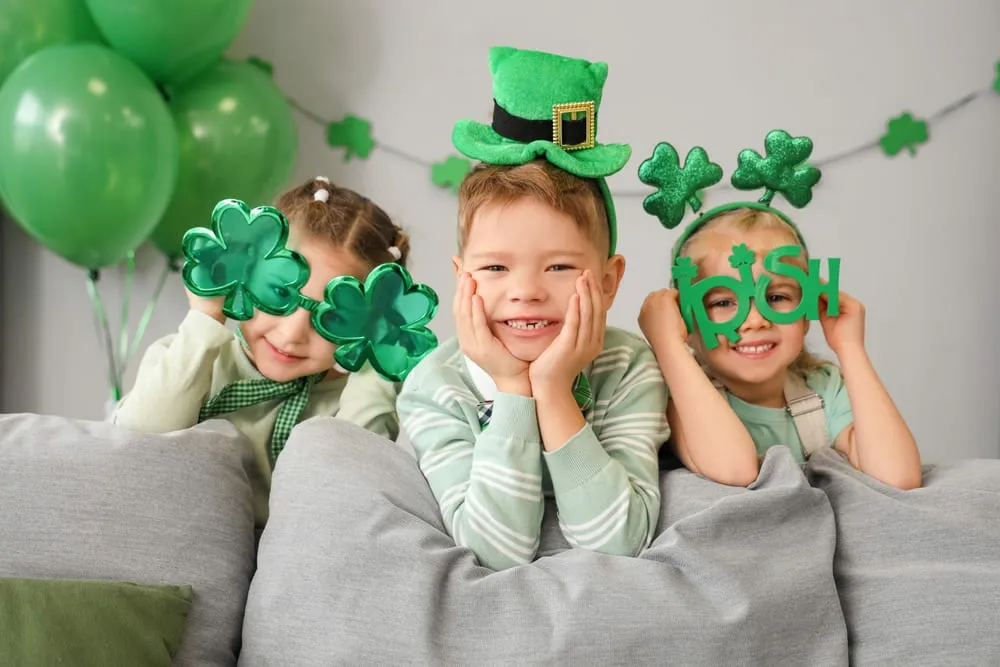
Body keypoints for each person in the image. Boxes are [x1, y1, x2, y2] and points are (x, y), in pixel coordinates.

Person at [397, 47, 670, 571]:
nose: (525, 292)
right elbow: (495, 552)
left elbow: (618, 543)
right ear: (462, 279)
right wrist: (513, 390)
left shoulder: (628, 367)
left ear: (609, 281)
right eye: (496, 268)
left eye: (559, 268)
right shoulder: (435, 387)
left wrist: (551, 387)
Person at [114, 177, 409, 526]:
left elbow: (353, 492)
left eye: (332, 317)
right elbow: (135, 439)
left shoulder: (356, 403)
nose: (292, 333)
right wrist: (205, 318)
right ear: (244, 274)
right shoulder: (184, 357)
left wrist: (377, 361)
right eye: (279, 294)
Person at [636, 132, 922, 491]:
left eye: (778, 298)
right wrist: (668, 347)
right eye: (723, 302)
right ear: (686, 319)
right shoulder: (678, 397)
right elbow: (737, 470)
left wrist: (850, 348)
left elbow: (898, 476)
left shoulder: (821, 391)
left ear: (809, 308)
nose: (755, 320)